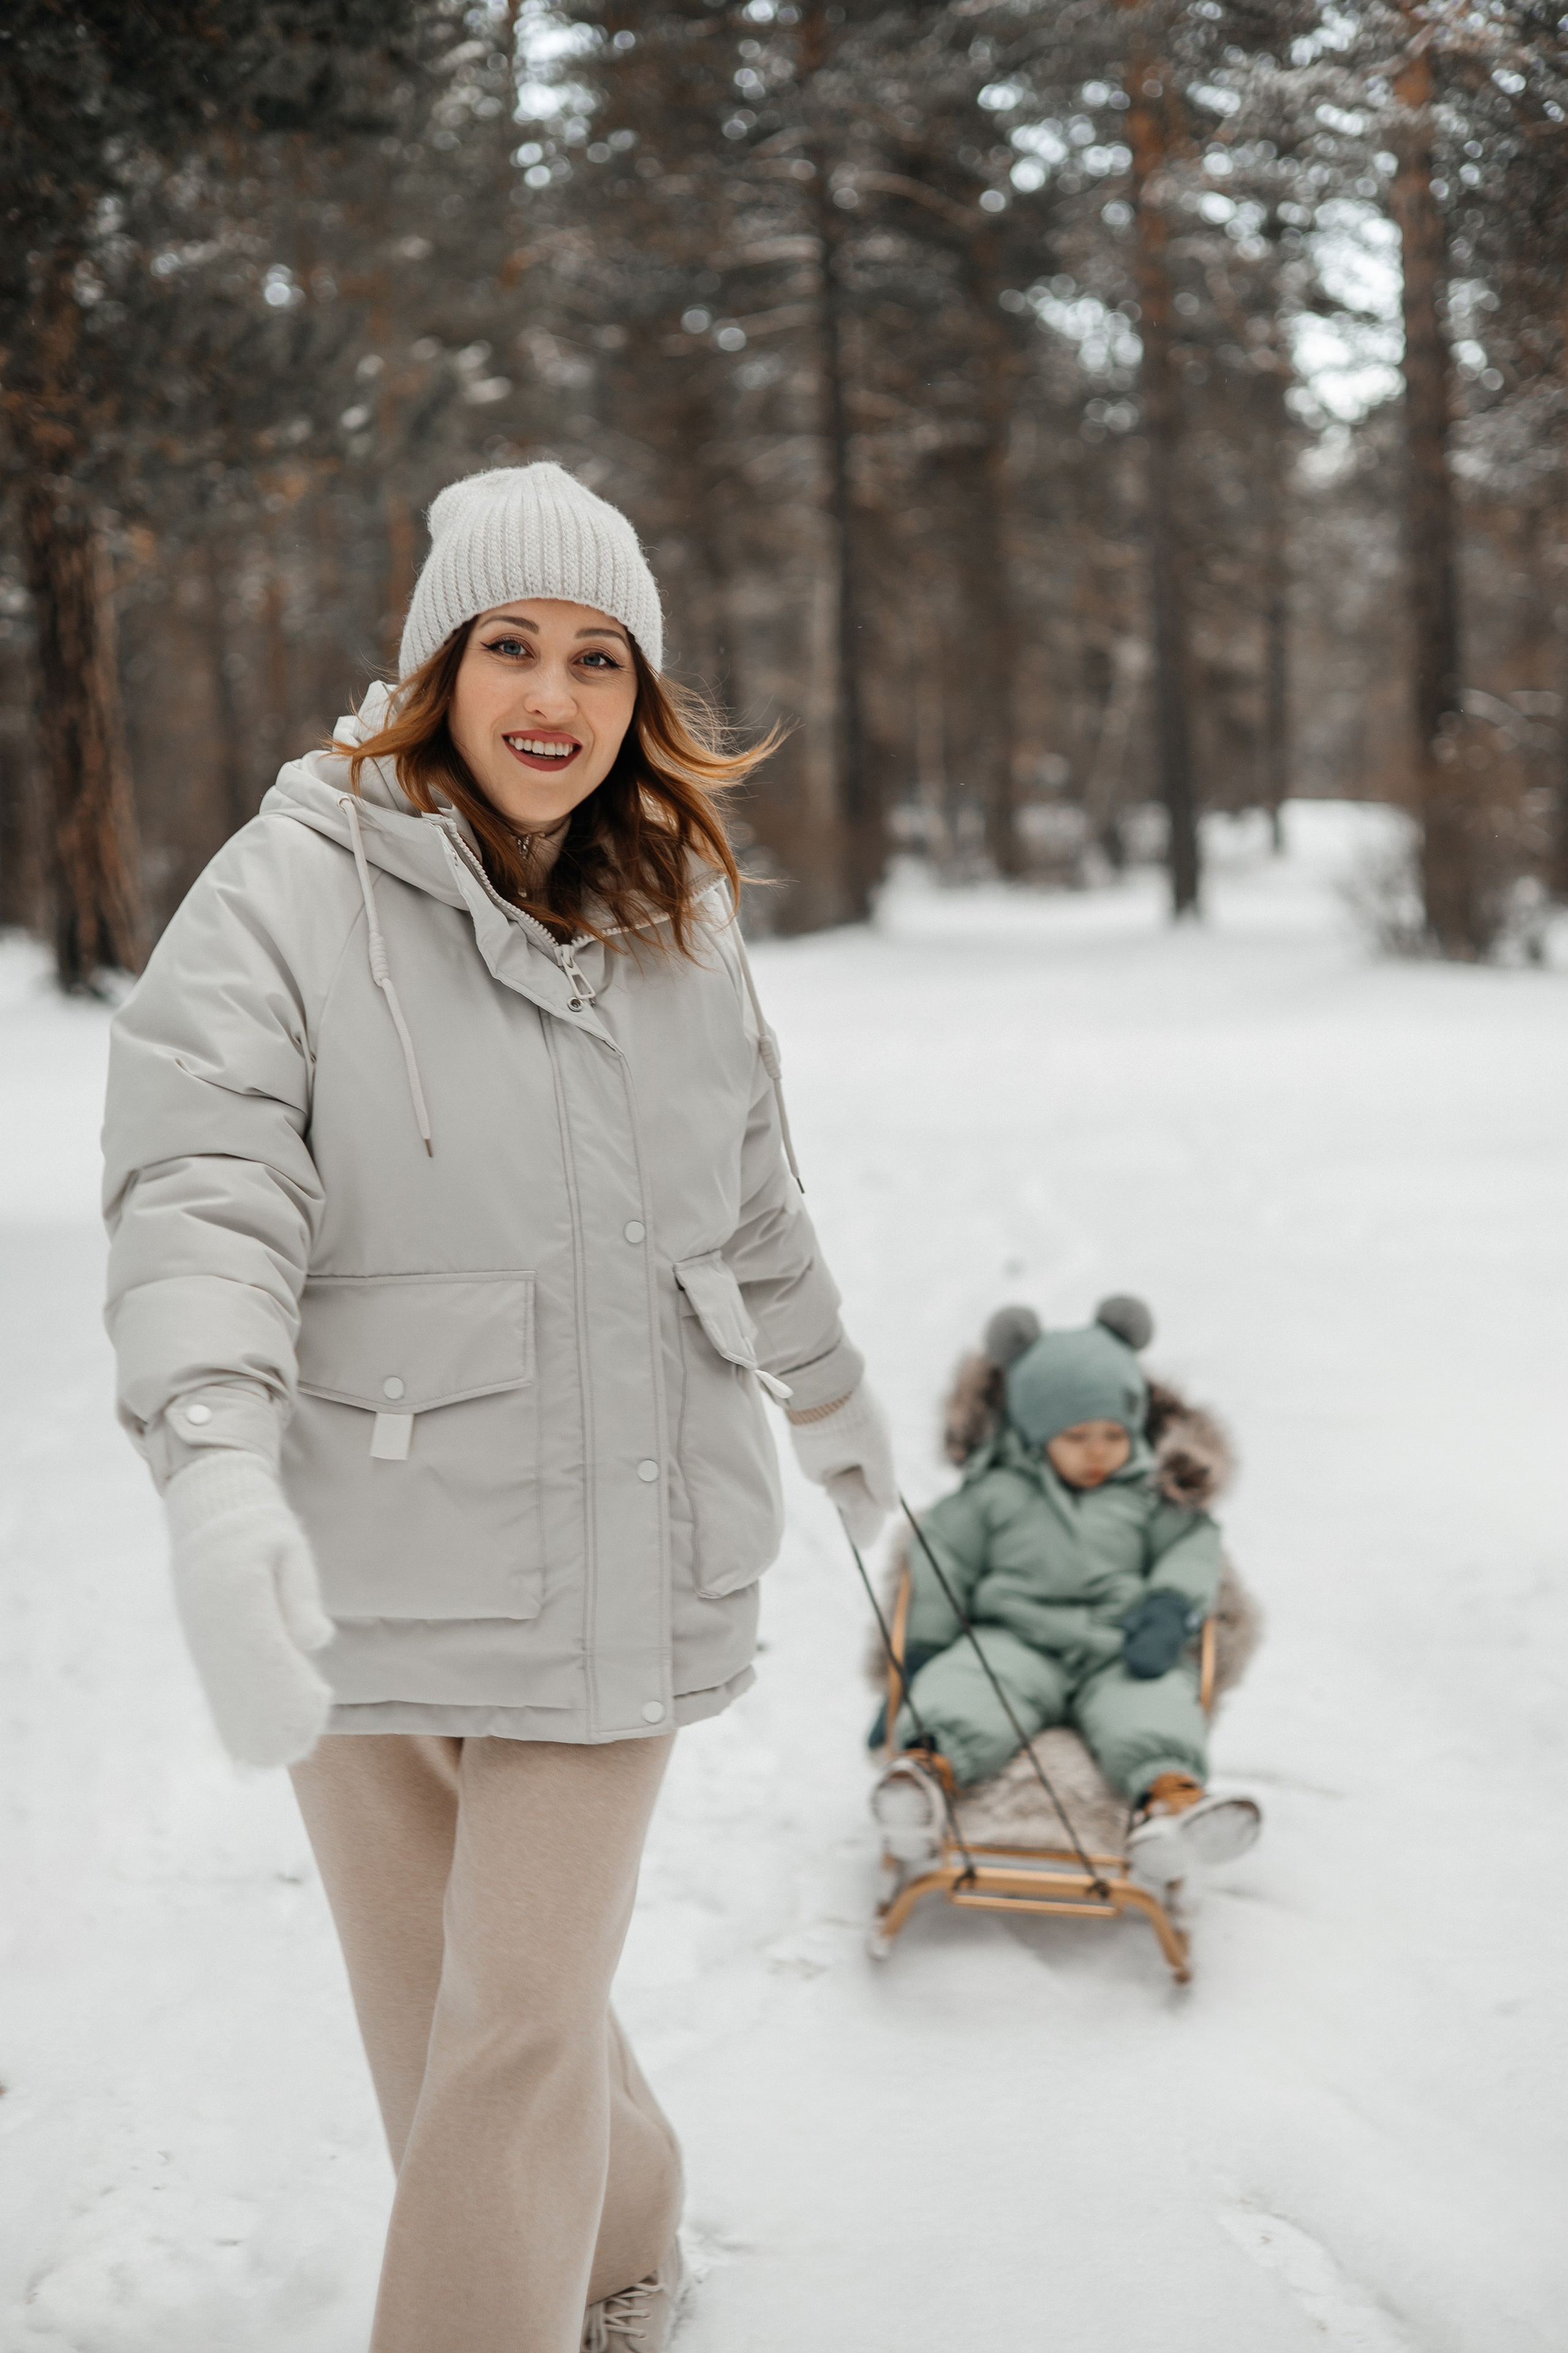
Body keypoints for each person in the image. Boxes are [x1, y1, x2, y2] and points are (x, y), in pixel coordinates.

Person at [102, 462, 895, 2353]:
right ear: (434, 669)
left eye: (598, 658)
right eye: (511, 646)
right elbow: (202, 1201)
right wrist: (216, 1477)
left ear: (642, 695)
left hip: (623, 1538)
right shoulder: (284, 899)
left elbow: (757, 1205)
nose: (553, 695)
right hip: (363, 1540)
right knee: (441, 2008)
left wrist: (841, 1413)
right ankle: (618, 2236)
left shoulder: (679, 920)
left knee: (512, 2016)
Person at [872, 1297, 1261, 1884]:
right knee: (966, 1687)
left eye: (1113, 1432)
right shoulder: (994, 1495)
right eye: (1077, 1435)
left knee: (1152, 1708)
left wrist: (1168, 1606)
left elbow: (1194, 1549)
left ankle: (1172, 1806)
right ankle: (924, 1779)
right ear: (1034, 1430)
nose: (1099, 1450)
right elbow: (938, 1562)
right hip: (1014, 1640)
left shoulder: (1154, 1495)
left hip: (1120, 1645)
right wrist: (918, 1657)